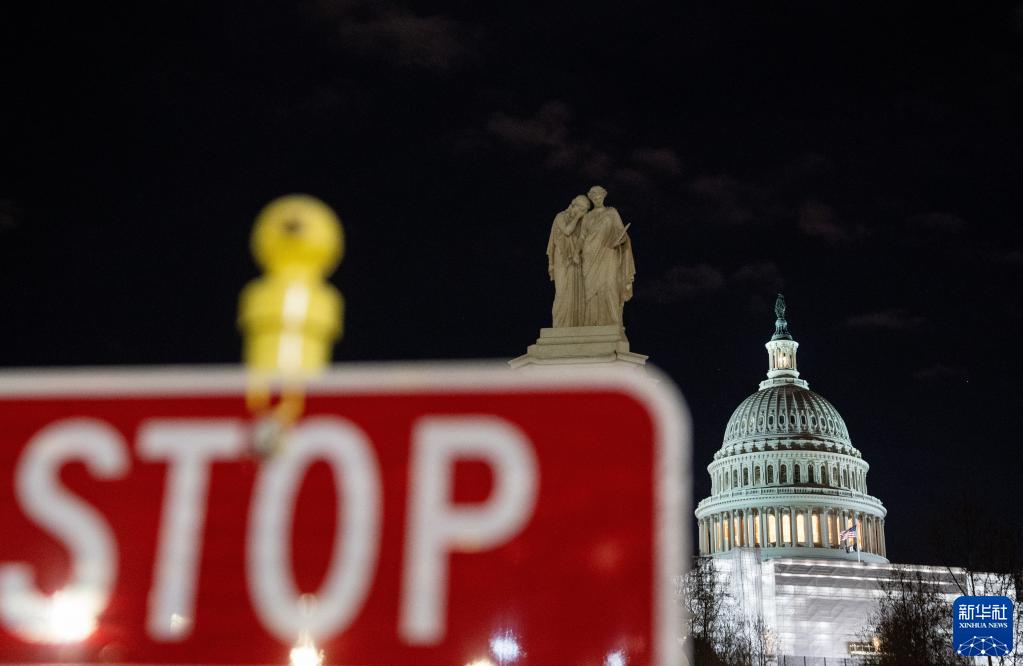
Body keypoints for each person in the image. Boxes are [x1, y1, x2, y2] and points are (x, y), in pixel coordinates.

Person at [580, 186, 635, 326]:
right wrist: (576, 252)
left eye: (599, 195)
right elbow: (582, 237)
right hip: (589, 255)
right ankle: (591, 322)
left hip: (609, 253)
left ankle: (614, 321)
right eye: (594, 196)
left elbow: (621, 232)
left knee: (610, 285)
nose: (597, 198)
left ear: (604, 196)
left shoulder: (611, 212)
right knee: (590, 290)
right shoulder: (587, 216)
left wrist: (619, 240)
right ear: (590, 197)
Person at [547, 195, 590, 327]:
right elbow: (567, 231)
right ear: (574, 205)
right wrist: (577, 217)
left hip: (575, 260)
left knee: (575, 292)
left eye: (585, 211)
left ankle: (574, 324)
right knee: (562, 291)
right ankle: (559, 324)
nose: (583, 213)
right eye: (581, 209)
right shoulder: (560, 216)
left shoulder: (581, 222)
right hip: (562, 258)